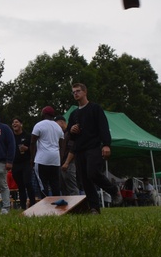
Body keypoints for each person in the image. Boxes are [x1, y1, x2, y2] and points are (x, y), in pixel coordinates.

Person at [60, 83, 122, 214]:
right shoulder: (74, 114)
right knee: (85, 181)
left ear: (85, 92)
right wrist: (71, 130)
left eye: (78, 91)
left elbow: (103, 127)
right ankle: (94, 208)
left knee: (92, 173)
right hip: (79, 149)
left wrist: (106, 144)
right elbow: (69, 136)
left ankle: (113, 191)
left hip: (93, 147)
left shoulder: (95, 108)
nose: (75, 93)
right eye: (73, 92)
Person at [31, 106, 64, 199]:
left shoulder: (39, 125)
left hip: (42, 159)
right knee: (55, 184)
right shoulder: (58, 127)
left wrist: (31, 159)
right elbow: (61, 146)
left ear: (44, 114)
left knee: (42, 184)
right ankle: (58, 204)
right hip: (55, 160)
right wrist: (60, 159)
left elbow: (32, 142)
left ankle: (45, 205)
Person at [10, 116, 35, 209]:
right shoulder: (10, 137)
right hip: (15, 164)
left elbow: (34, 150)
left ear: (21, 124)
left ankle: (33, 204)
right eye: (13, 123)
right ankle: (23, 206)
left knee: (28, 183)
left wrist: (27, 149)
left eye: (16, 122)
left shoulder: (27, 136)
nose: (14, 124)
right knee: (20, 186)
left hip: (26, 163)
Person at [56, 115, 79, 196]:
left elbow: (72, 149)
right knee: (63, 188)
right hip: (61, 164)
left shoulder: (70, 133)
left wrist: (67, 162)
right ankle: (67, 207)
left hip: (69, 164)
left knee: (72, 187)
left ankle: (77, 206)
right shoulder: (61, 135)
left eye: (57, 124)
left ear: (62, 122)